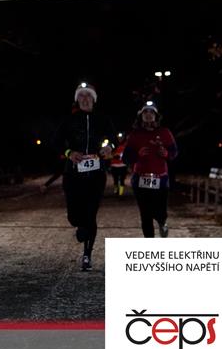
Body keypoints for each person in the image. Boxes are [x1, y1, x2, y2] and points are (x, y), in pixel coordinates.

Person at [53, 83, 116, 271]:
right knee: (74, 217)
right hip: (73, 174)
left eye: (88, 96)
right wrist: (69, 152)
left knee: (91, 214)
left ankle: (87, 255)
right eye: (81, 96)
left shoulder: (103, 119)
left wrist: (109, 146)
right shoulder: (69, 120)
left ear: (94, 100)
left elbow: (115, 137)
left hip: (96, 174)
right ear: (77, 100)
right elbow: (56, 141)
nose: (85, 99)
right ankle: (80, 225)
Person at [122, 102, 178, 238]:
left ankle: (162, 221)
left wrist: (166, 153)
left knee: (160, 211)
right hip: (140, 178)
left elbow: (174, 151)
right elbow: (126, 158)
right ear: (141, 116)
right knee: (145, 214)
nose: (148, 115)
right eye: (145, 112)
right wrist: (137, 154)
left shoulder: (164, 132)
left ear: (156, 116)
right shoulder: (135, 134)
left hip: (161, 178)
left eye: (151, 112)